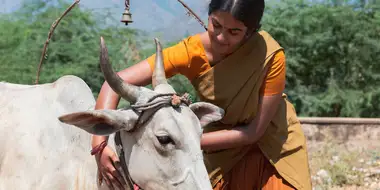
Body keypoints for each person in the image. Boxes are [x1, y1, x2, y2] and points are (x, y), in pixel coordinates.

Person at [91, 0, 312, 189]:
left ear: (251, 32)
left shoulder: (270, 56)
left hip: (275, 147)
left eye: (234, 32)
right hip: (221, 152)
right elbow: (114, 83)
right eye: (215, 25)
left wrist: (182, 140)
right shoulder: (191, 51)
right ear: (209, 16)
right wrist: (99, 145)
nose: (221, 37)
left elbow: (253, 132)